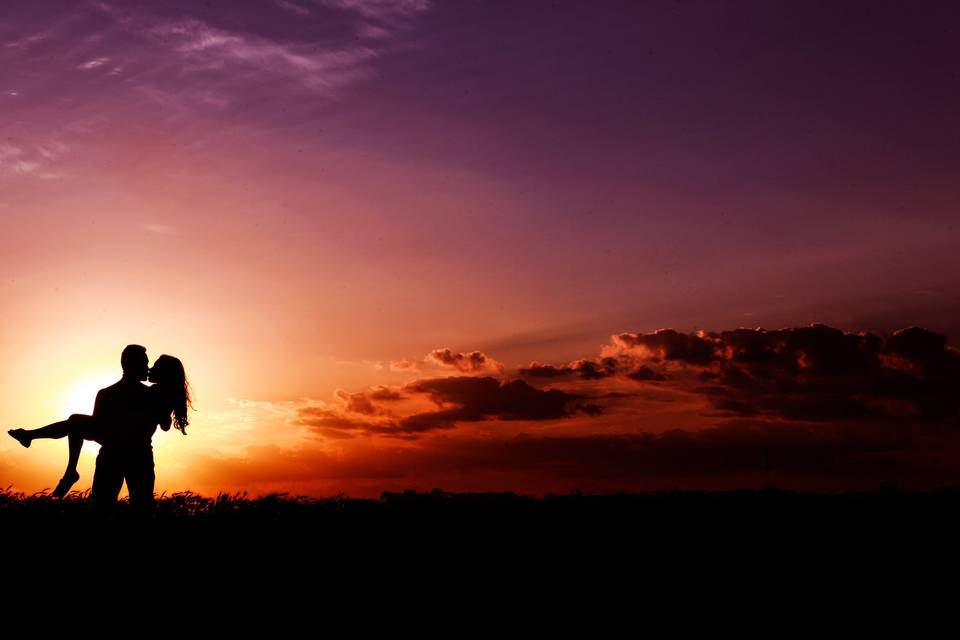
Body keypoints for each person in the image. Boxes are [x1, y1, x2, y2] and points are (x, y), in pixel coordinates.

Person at [7, 346, 191, 511]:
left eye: (152, 365)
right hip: (130, 453)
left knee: (111, 508)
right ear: (134, 365)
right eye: (146, 363)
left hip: (122, 453)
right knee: (137, 508)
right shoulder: (151, 394)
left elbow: (100, 425)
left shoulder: (117, 393)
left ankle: (68, 468)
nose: (149, 368)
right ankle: (63, 465)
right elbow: (164, 425)